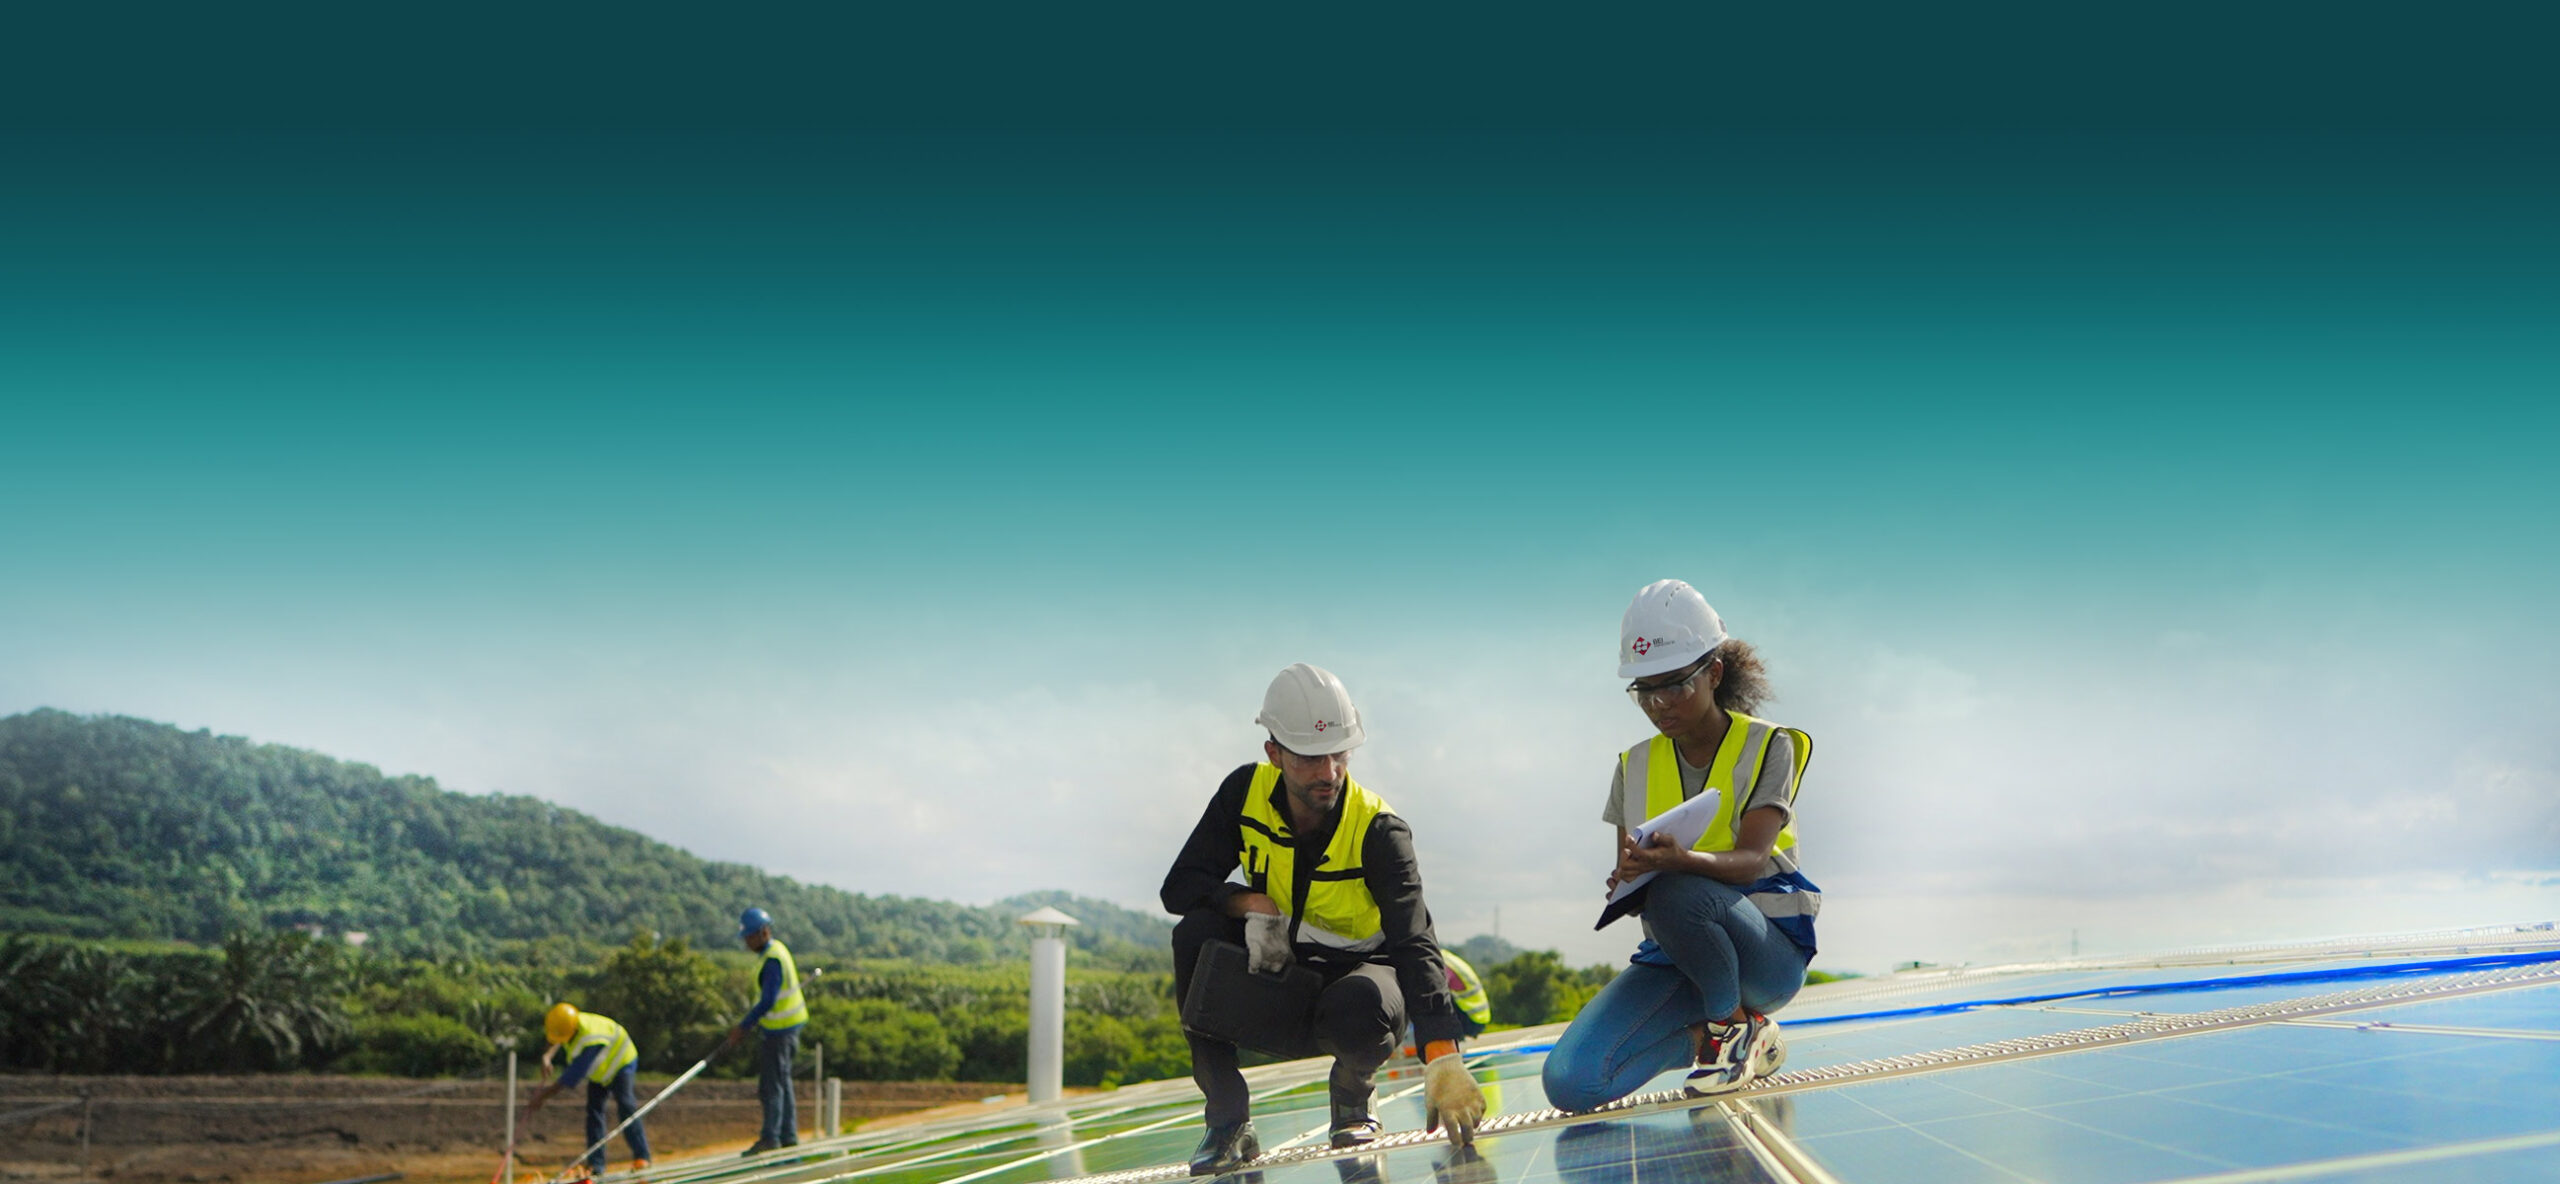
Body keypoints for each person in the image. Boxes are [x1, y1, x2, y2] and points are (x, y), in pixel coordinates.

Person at [1162, 663, 1486, 1175]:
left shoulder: (1380, 829)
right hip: (1283, 981)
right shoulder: (1242, 795)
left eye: (1340, 753)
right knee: (1194, 935)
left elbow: (1415, 940)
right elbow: (1179, 887)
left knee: (1361, 1004)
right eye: (1311, 758)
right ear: (1274, 753)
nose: (1329, 772)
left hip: (1359, 993)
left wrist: (1442, 1053)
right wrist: (1249, 903)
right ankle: (1228, 1120)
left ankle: (1354, 1101)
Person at [1542, 580, 1820, 1110]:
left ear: (1713, 673)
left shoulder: (1769, 746)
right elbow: (1637, 872)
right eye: (1644, 690)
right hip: (1680, 958)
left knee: (1677, 890)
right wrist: (1628, 879)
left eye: (1674, 686)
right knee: (1571, 1082)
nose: (1658, 704)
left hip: (1764, 955)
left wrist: (1675, 864)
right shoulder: (1633, 767)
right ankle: (1719, 1038)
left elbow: (1752, 861)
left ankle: (1731, 1030)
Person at [521, 1002, 651, 1181]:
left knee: (626, 1106)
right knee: (594, 1112)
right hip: (600, 1071)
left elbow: (569, 1077)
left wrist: (541, 1097)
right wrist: (547, 1056)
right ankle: (596, 1165)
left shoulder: (590, 1039)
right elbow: (556, 1039)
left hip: (621, 1063)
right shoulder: (570, 1023)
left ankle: (642, 1156)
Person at [724, 906, 809, 1156]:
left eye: (750, 937)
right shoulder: (775, 951)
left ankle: (772, 1137)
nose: (747, 943)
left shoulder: (772, 959)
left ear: (763, 932)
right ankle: (788, 1136)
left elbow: (768, 1000)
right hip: (784, 1028)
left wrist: (744, 1026)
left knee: (772, 1086)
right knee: (783, 1082)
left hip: (781, 1031)